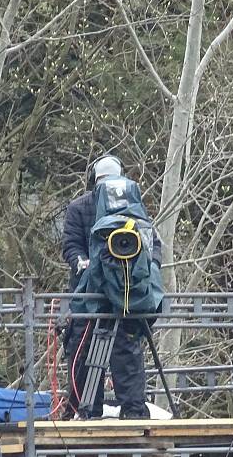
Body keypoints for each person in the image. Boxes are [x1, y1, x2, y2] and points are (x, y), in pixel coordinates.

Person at [61, 155, 162, 419]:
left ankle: (133, 412)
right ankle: (87, 411)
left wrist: (148, 271)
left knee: (126, 351)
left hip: (126, 293)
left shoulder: (133, 210)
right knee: (82, 352)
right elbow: (71, 245)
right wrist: (82, 262)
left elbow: (152, 244)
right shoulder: (79, 208)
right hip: (90, 293)